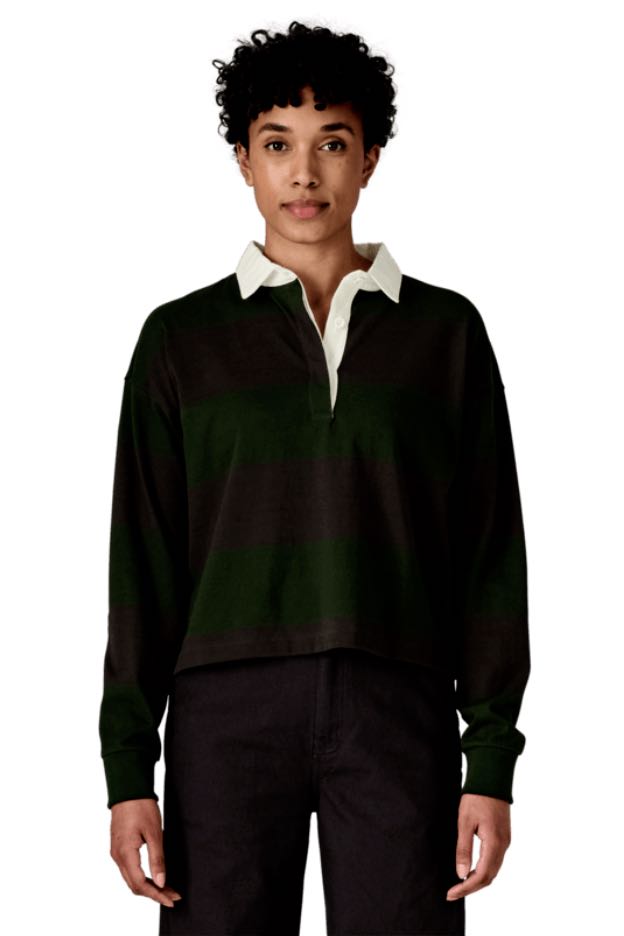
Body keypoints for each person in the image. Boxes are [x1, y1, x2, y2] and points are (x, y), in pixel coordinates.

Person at [99, 20, 530, 936]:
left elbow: (490, 556)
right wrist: (128, 772)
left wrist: (490, 762)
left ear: (369, 159)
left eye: (331, 144)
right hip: (225, 714)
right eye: (276, 145)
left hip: (397, 705)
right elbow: (142, 566)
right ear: (244, 161)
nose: (303, 174)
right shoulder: (180, 341)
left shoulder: (445, 335)